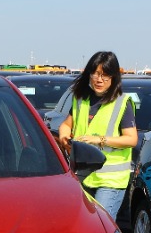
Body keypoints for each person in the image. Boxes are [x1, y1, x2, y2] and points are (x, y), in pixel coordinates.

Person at [57, 51, 138, 219]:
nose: (99, 80)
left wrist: (100, 140)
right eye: (95, 74)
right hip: (83, 175)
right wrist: (65, 137)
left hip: (110, 180)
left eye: (105, 75)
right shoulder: (81, 99)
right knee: (81, 223)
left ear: (114, 77)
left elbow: (132, 139)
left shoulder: (121, 103)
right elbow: (66, 124)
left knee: (101, 224)